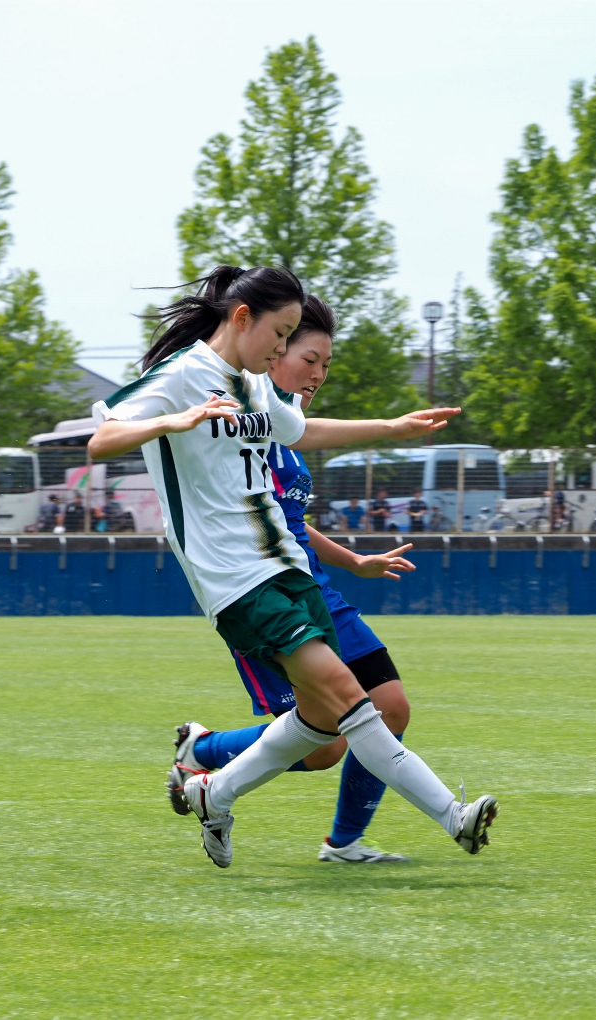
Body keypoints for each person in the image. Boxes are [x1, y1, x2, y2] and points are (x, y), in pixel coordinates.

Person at [88, 264, 497, 869]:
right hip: (237, 581)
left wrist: (391, 428)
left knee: (320, 724)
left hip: (288, 570)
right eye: (280, 336)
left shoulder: (252, 386)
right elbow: (102, 440)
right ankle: (453, 819)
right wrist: (175, 420)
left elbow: (302, 432)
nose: (283, 350)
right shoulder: (182, 376)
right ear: (242, 317)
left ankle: (211, 789)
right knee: (353, 702)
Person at [170, 296, 421, 863]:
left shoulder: (286, 429)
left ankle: (345, 843)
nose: (318, 374)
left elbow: (292, 525)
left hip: (319, 593)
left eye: (326, 365)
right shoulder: (250, 425)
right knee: (325, 743)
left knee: (393, 707)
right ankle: (204, 750)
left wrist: (356, 561)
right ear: (272, 352)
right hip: (269, 597)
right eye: (309, 358)